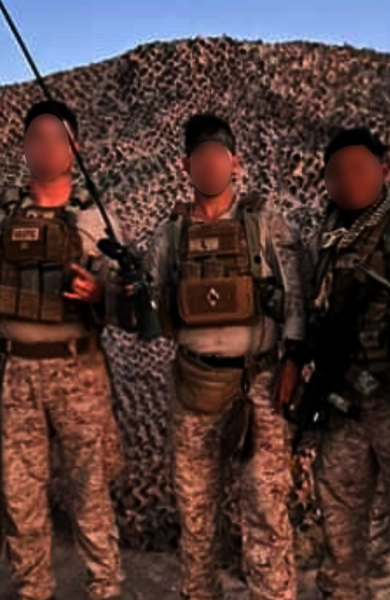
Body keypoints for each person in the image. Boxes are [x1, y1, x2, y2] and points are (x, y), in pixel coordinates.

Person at [0, 99, 129, 600]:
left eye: (58, 137)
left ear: (76, 147)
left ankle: (105, 588)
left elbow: (128, 300)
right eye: (37, 137)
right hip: (15, 376)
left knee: (90, 492)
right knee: (21, 497)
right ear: (25, 147)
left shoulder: (98, 221)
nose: (46, 146)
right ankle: (33, 590)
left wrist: (100, 295)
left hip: (80, 370)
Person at [144, 113, 309, 600]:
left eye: (219, 155)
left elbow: (296, 300)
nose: (209, 164)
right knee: (195, 521)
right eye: (200, 157)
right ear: (185, 165)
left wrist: (293, 364)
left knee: (266, 519)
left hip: (259, 386)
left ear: (234, 163)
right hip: (194, 388)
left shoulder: (265, 225)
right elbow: (151, 310)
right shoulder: (169, 235)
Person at [301, 127, 390, 600]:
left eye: (359, 169)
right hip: (343, 404)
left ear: (384, 171)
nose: (348, 180)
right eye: (336, 173)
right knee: (340, 531)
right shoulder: (324, 239)